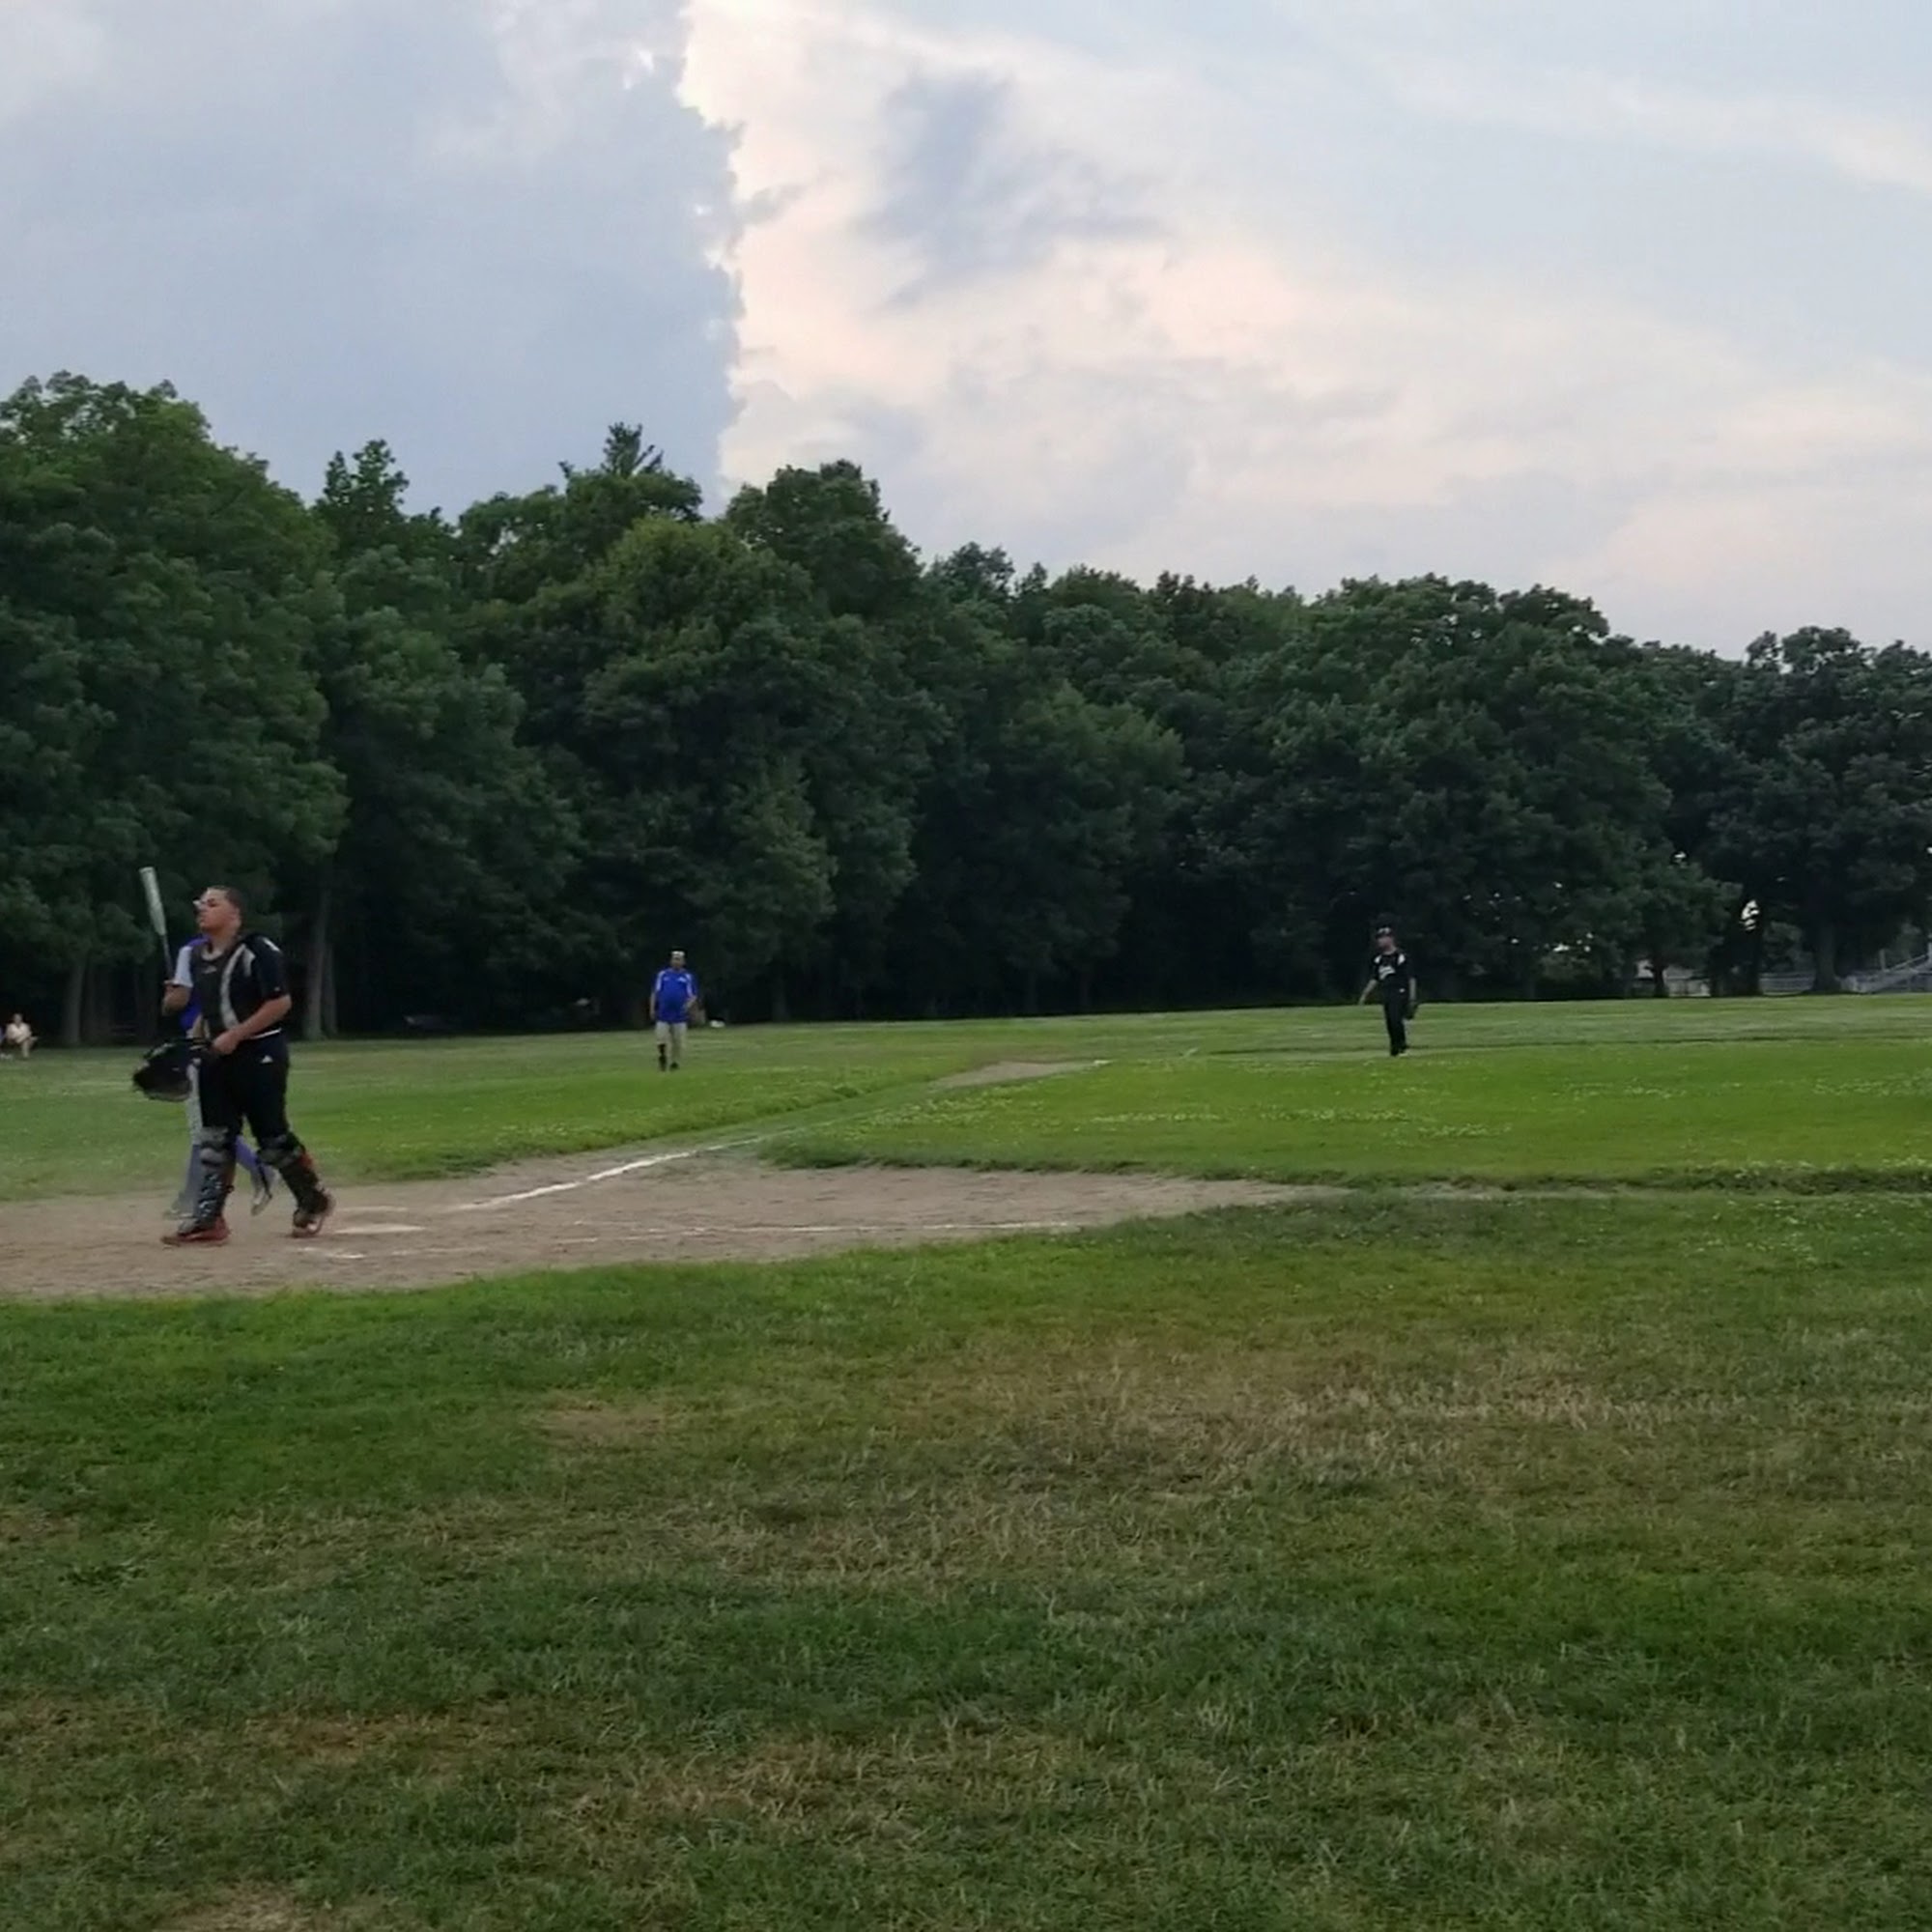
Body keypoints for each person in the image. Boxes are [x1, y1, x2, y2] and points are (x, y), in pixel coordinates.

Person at [160, 886, 333, 1247]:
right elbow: (208, 1010)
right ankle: (209, 1219)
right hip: (216, 1056)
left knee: (273, 1138)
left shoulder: (257, 950)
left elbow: (280, 1003)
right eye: (201, 904)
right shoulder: (198, 957)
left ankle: (312, 1200)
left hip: (259, 1053)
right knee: (215, 1139)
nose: (202, 909)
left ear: (235, 914)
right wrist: (193, 1041)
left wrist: (236, 1035)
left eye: (213, 904)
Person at [166, 939, 273, 1221]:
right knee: (213, 1124)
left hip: (202, 1037)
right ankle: (191, 1196)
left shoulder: (190, 951)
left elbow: (179, 1000)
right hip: (236, 1038)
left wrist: (170, 997)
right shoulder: (241, 949)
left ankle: (257, 1169)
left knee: (206, 1126)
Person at [1359, 925, 1416, 1057]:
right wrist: (1365, 994)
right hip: (1386, 993)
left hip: (1399, 991)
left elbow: (1411, 977)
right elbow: (1375, 978)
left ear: (1390, 939)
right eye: (1379, 938)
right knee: (1390, 1021)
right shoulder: (1379, 959)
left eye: (1383, 938)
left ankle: (1401, 1044)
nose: (1380, 941)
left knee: (1396, 1019)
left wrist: (1412, 997)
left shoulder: (1400, 957)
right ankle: (1394, 1047)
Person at [649, 949, 699, 1071]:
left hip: (679, 1014)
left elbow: (693, 995)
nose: (676, 962)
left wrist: (687, 1006)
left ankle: (674, 1063)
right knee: (661, 1037)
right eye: (674, 959)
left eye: (679, 960)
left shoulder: (687, 977)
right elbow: (655, 992)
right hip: (664, 1012)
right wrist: (652, 1008)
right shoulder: (663, 975)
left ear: (683, 962)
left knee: (678, 1041)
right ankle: (662, 1056)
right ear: (671, 961)